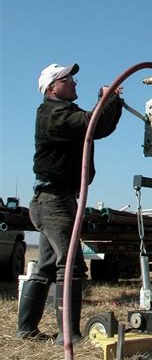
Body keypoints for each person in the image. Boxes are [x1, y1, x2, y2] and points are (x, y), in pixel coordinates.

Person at [17, 63, 123, 343]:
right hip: (52, 200)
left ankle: (26, 330)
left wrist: (112, 101)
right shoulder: (52, 114)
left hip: (57, 198)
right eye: (69, 79)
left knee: (45, 266)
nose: (75, 82)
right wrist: (106, 98)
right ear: (53, 87)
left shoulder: (65, 112)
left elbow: (98, 127)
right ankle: (69, 334)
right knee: (71, 264)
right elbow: (91, 124)